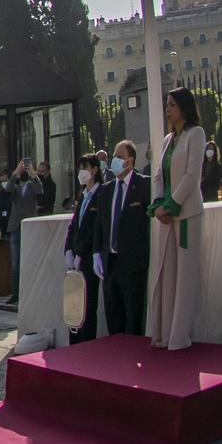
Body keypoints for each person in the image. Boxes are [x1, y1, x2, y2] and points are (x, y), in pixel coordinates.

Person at [149, 88, 207, 351]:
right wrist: (159, 203)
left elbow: (192, 175)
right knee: (167, 273)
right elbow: (160, 176)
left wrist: (172, 204)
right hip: (167, 218)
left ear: (184, 107)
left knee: (185, 277)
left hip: (187, 215)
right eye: (166, 104)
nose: (167, 108)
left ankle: (179, 338)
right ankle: (163, 334)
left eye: (172, 104)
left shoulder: (196, 134)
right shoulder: (167, 140)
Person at [94, 140, 151, 337]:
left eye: (119, 157)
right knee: (113, 315)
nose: (115, 160)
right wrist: (96, 254)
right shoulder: (107, 189)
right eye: (114, 156)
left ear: (130, 161)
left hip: (133, 264)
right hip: (110, 263)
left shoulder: (144, 185)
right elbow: (100, 224)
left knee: (133, 317)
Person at [64, 152, 107, 344]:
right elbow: (74, 224)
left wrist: (81, 253)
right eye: (80, 168)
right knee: (75, 305)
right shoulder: (83, 194)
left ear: (95, 170)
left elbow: (93, 228)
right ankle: (75, 342)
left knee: (88, 305)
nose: (81, 172)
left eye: (85, 168)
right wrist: (68, 250)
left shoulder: (101, 193)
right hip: (76, 258)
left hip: (90, 257)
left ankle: (87, 344)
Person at [4, 158, 41, 305]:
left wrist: (32, 173)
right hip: (16, 227)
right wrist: (15, 173)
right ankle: (16, 293)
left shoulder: (32, 186)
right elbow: (7, 188)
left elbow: (40, 189)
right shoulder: (16, 187)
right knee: (15, 263)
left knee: (30, 260)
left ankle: (30, 292)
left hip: (30, 227)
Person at [200, 139, 222, 205]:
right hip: (201, 196)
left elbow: (217, 184)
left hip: (212, 197)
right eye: (208, 149)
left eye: (211, 149)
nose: (209, 151)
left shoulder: (217, 166)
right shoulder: (201, 165)